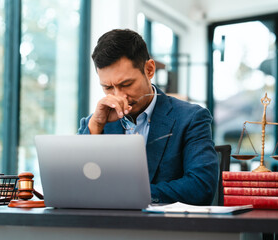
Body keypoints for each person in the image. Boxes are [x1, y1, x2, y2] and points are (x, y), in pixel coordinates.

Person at [78, 29, 218, 205]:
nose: (119, 95)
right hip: (104, 226)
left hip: (164, 228)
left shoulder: (191, 118)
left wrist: (130, 194)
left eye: (126, 84)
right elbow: (76, 184)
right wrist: (96, 125)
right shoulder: (95, 123)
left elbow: (201, 186)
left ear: (149, 69)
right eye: (107, 87)